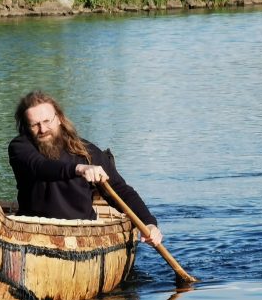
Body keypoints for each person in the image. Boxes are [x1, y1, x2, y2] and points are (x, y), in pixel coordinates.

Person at [8, 90, 163, 246]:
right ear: (26, 128)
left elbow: (120, 190)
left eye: (47, 121)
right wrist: (79, 169)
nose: (42, 129)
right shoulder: (20, 147)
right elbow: (40, 166)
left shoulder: (86, 151)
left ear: (59, 119)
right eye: (35, 125)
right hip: (34, 233)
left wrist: (148, 223)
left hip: (83, 236)